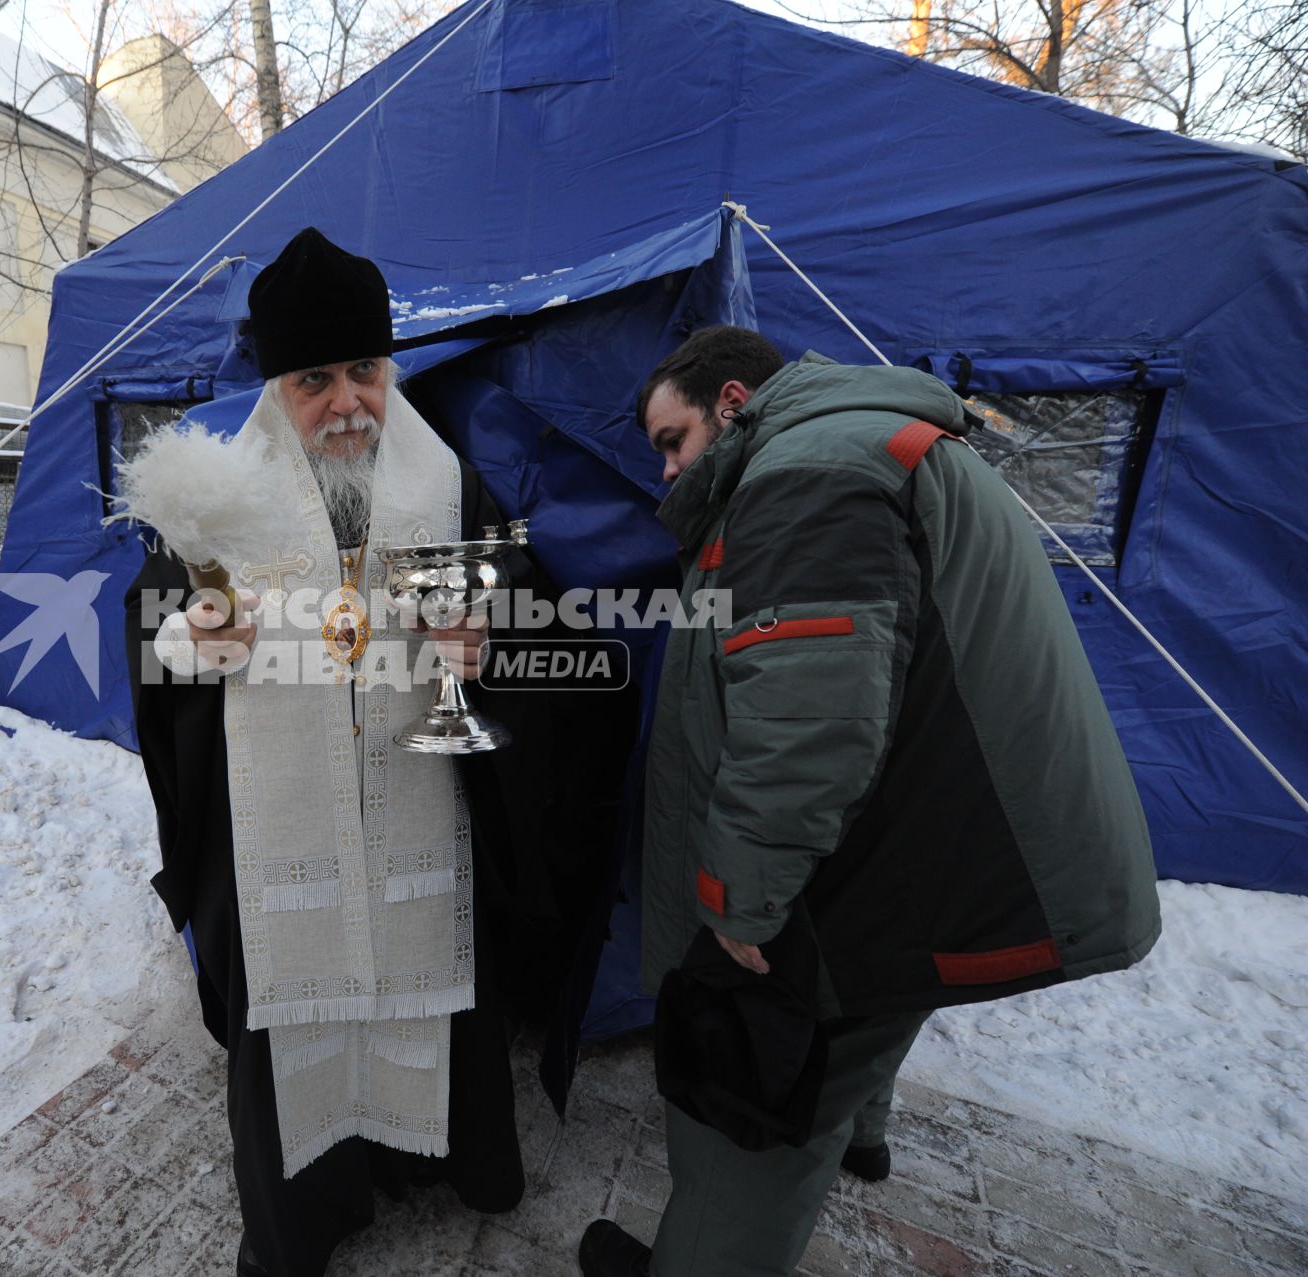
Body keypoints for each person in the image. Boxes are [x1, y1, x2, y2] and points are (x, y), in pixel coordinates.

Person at [577, 325, 1162, 1276]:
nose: (669, 474)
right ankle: (864, 1132)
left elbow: (809, 720)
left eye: (672, 441)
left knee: (754, 1114)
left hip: (901, 850)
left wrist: (739, 897)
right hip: (943, 830)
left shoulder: (806, 472)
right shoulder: (869, 441)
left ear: (732, 403)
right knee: (870, 1012)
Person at [123, 227, 528, 1277]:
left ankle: (428, 1158)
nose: (348, 400)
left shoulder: (449, 485)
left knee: (421, 973)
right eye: (316, 379)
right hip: (283, 829)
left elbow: (524, 618)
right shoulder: (221, 501)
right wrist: (192, 641)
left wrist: (489, 644)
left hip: (416, 801)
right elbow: (154, 644)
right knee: (296, 1002)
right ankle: (309, 1206)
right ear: (275, 385)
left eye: (365, 370)